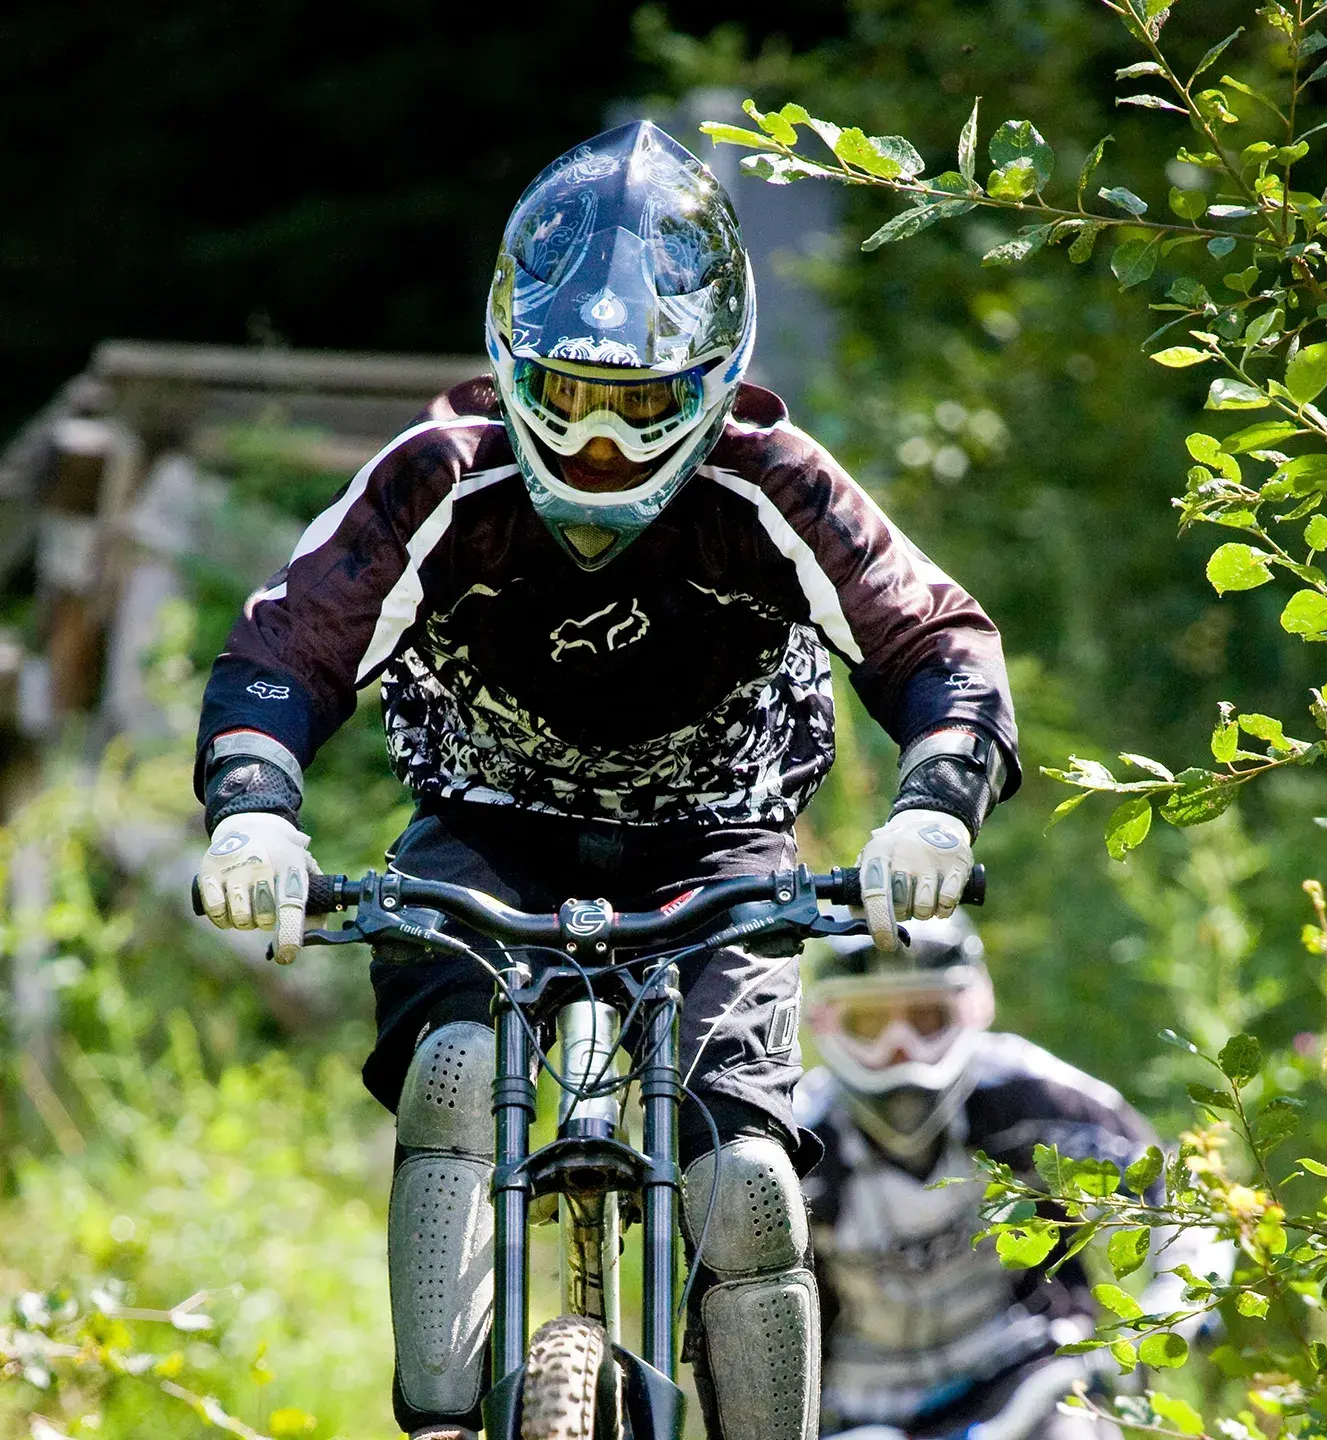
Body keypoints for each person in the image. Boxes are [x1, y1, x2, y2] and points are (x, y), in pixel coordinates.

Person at [191, 120, 1019, 1440]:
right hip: (484, 832)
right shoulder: (438, 481)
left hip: (723, 839)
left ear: (710, 382)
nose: (593, 444)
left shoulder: (776, 489)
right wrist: (252, 817)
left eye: (638, 403)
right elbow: (286, 645)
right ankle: (447, 1419)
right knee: (457, 1069)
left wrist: (931, 802)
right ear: (513, 362)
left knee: (744, 1178)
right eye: (567, 393)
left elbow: (933, 639)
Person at [799, 916, 1216, 1440]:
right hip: (858, 1412)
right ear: (826, 1023)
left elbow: (1174, 1193)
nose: (899, 1049)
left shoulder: (1028, 1097)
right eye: (869, 1023)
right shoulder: (798, 1145)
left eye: (925, 1018)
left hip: (1026, 1374)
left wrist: (1170, 1312)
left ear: (971, 1008)